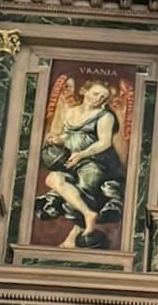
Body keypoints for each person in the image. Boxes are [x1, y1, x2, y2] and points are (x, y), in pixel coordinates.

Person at [36, 80, 126, 249]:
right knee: (52, 179)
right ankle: (88, 213)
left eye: (102, 97)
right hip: (72, 159)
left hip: (97, 162)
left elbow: (104, 143)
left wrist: (82, 155)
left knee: (84, 187)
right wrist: (59, 140)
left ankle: (75, 236)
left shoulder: (105, 116)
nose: (98, 98)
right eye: (95, 93)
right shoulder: (71, 112)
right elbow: (70, 136)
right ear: (85, 91)